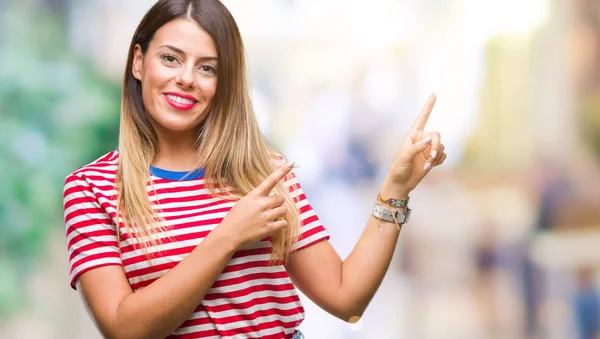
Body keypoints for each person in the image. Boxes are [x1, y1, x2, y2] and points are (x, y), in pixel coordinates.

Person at [62, 0, 447, 338]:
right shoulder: (91, 189)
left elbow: (346, 297)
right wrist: (228, 235)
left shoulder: (264, 174)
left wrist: (395, 189)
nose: (186, 78)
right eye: (170, 58)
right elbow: (123, 329)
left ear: (223, 82)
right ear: (138, 62)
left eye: (207, 68)